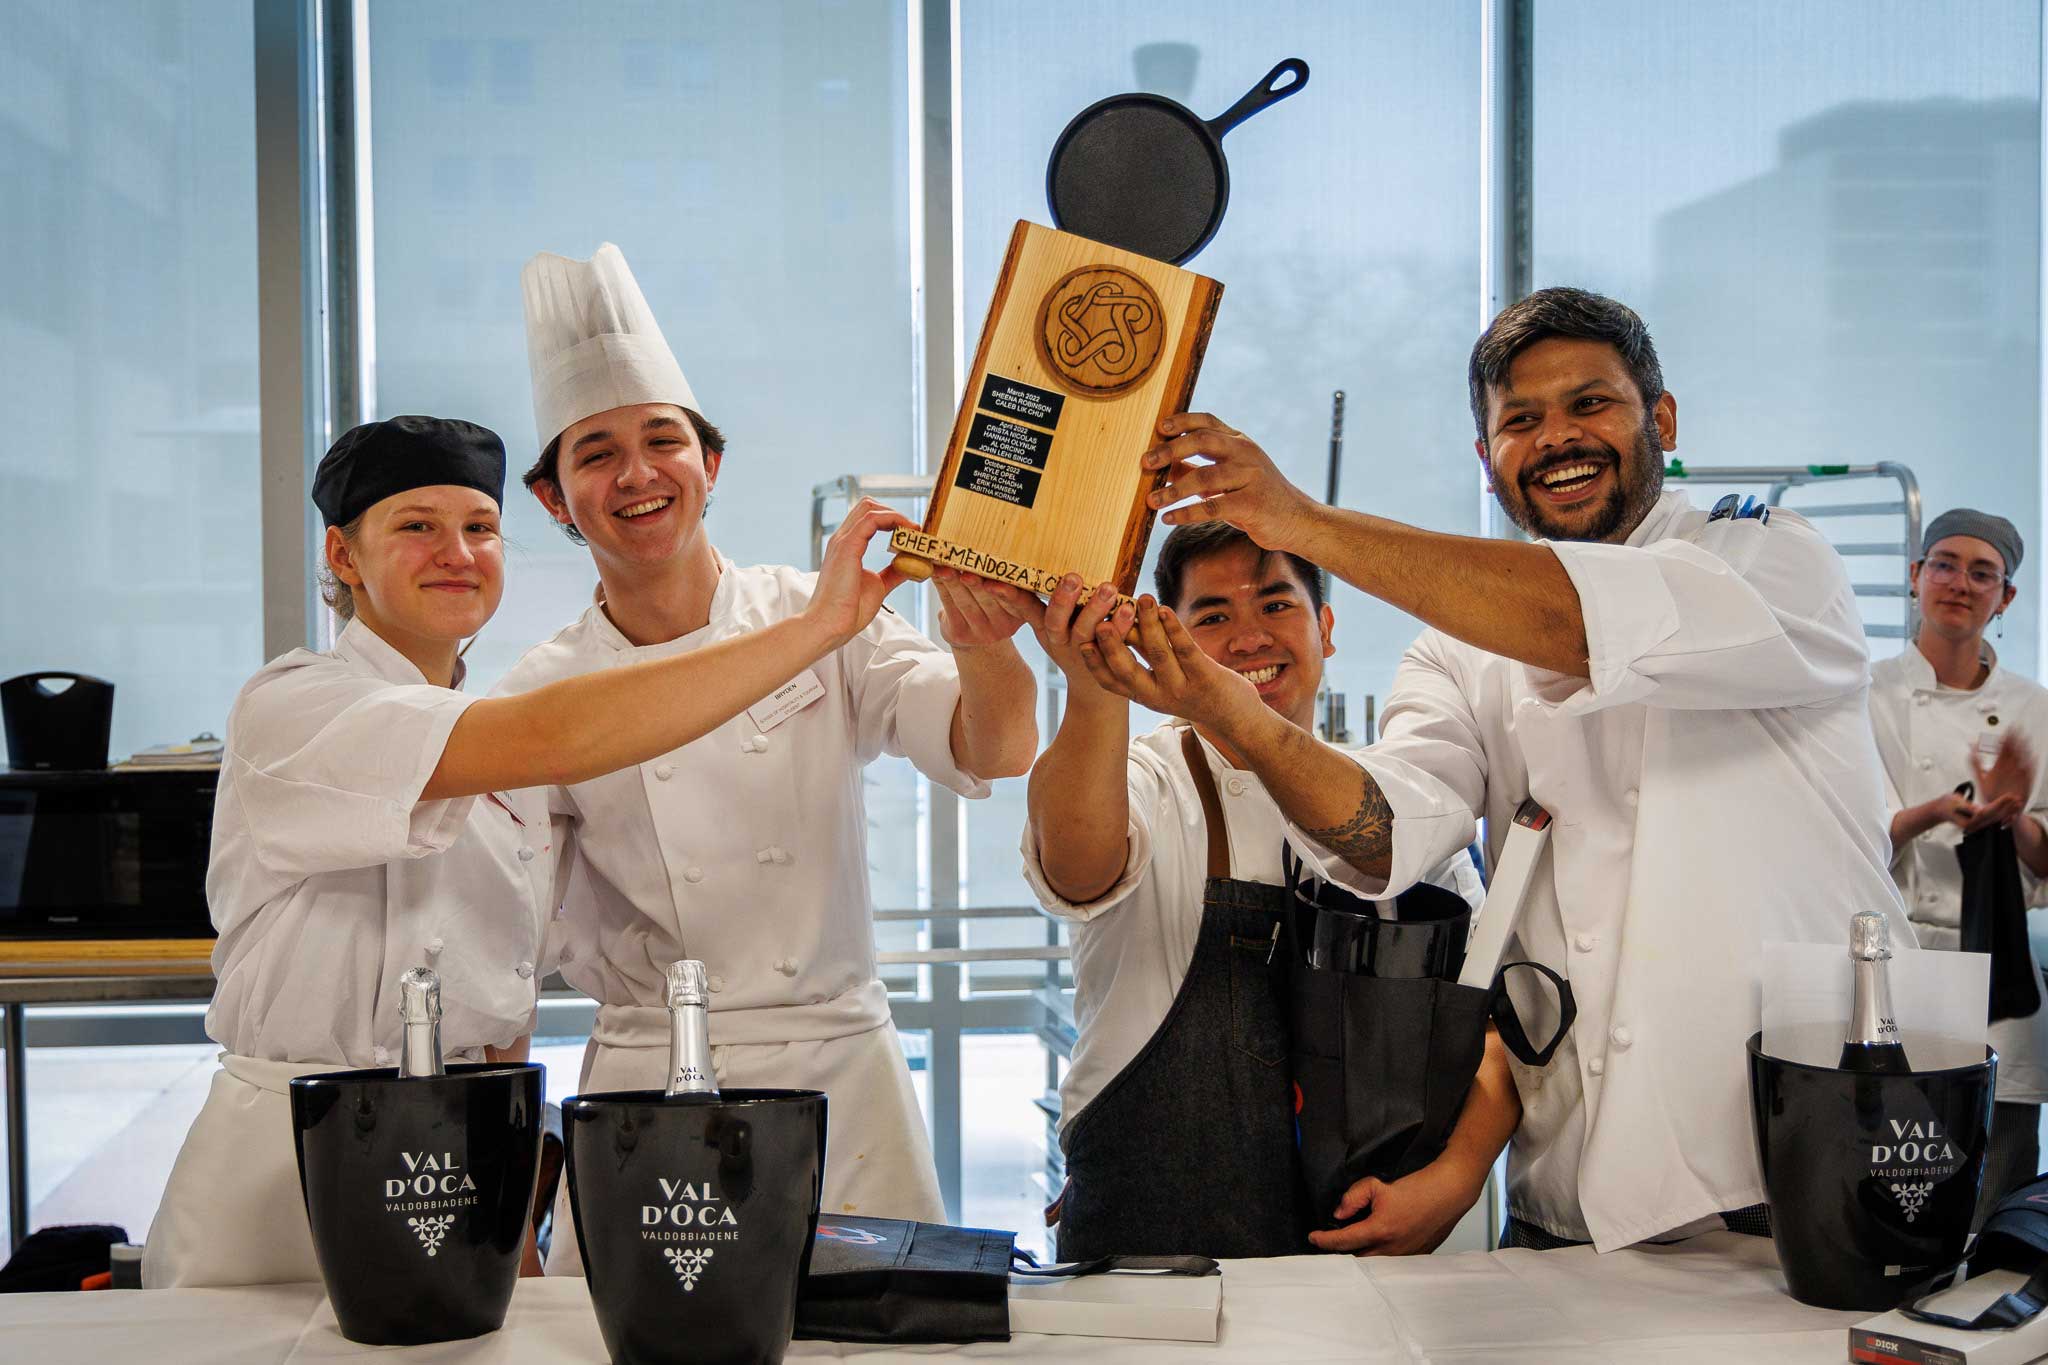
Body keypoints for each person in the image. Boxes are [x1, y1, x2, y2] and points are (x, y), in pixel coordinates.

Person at [1111, 286, 1914, 1251]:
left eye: (1591, 404)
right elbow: (1386, 828)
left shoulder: (1772, 558)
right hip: (1569, 1209)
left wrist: (1304, 523)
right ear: (1487, 462)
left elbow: (1583, 619)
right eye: (1519, 421)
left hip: (1792, 1186)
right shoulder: (1455, 654)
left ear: (1660, 418)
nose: (1557, 438)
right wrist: (1230, 714)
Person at [143, 415, 909, 1288]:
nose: (457, 553)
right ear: (343, 555)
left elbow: (506, 1001)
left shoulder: (512, 760)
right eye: (416, 526)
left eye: (479, 528)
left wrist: (516, 1220)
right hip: (287, 1165)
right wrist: (816, 630)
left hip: (461, 1157)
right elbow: (552, 730)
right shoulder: (295, 705)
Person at [496, 244, 1040, 1270]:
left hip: (842, 1078)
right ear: (554, 501)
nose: (637, 473)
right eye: (595, 452)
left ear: (711, 465)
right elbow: (498, 952)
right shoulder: (540, 694)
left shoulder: (817, 614)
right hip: (647, 1089)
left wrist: (985, 641)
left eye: (663, 440)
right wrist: (510, 1210)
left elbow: (994, 748)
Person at [1023, 520, 1507, 1259]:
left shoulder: (1394, 812)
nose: (1249, 639)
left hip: (1358, 1240)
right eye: (1213, 616)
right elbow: (1078, 866)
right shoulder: (1146, 778)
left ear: (1327, 628)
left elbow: (1487, 1022)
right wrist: (1092, 690)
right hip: (1153, 1243)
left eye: (1276, 605)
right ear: (1165, 637)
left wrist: (1459, 1175)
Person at [1871, 508, 2048, 1221]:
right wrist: (1937, 810)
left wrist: (2017, 820)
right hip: (1896, 959)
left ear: (2005, 598)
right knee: (1890, 1175)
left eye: (1984, 573)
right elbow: (1846, 837)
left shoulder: (2035, 708)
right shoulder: (1864, 694)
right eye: (1944, 563)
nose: (1960, 583)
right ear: (1915, 577)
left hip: (1999, 967)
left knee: (1999, 1184)